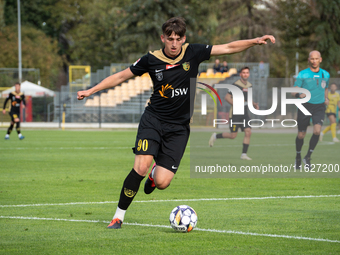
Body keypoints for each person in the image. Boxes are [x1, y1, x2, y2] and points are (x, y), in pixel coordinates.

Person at [77, 17, 275, 229]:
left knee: (162, 182)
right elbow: (121, 77)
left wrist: (254, 41)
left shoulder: (194, 52)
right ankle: (118, 217)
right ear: (162, 38)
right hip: (153, 120)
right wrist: (91, 90)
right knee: (140, 166)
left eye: (178, 39)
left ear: (184, 39)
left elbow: (227, 47)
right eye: (169, 38)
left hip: (179, 128)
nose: (173, 43)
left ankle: (155, 175)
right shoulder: (151, 59)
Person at [208, 67, 259, 160]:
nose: (245, 74)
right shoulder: (235, 85)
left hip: (245, 114)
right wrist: (237, 103)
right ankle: (215, 136)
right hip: (235, 114)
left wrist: (254, 104)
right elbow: (227, 97)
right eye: (243, 72)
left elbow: (248, 99)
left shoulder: (250, 85)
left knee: (248, 132)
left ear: (249, 74)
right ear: (240, 74)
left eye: (247, 72)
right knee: (233, 136)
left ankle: (244, 154)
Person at [291, 50, 330, 170]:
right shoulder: (303, 74)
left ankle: (307, 157)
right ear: (309, 60)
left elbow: (326, 88)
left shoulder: (326, 74)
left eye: (316, 59)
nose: (314, 61)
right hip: (305, 105)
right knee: (301, 135)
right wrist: (298, 95)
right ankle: (298, 156)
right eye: (312, 59)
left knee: (317, 131)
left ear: (320, 59)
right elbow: (293, 91)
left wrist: (326, 98)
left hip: (319, 106)